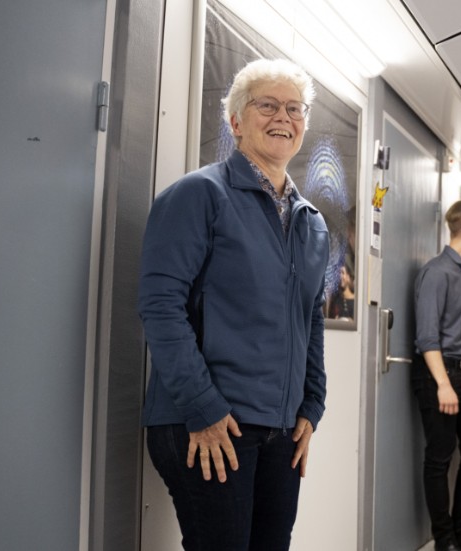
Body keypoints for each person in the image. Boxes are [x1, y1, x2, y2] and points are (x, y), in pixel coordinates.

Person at [138, 59, 328, 551]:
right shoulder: (198, 195)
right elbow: (160, 306)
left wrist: (313, 402)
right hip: (208, 422)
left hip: (280, 429)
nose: (282, 117)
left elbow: (309, 316)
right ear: (237, 120)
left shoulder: (311, 222)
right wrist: (202, 407)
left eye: (294, 108)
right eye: (267, 105)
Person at [412, 199, 461, 551]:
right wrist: (443, 385)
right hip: (439, 374)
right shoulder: (437, 272)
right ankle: (444, 538)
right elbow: (427, 337)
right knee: (439, 458)